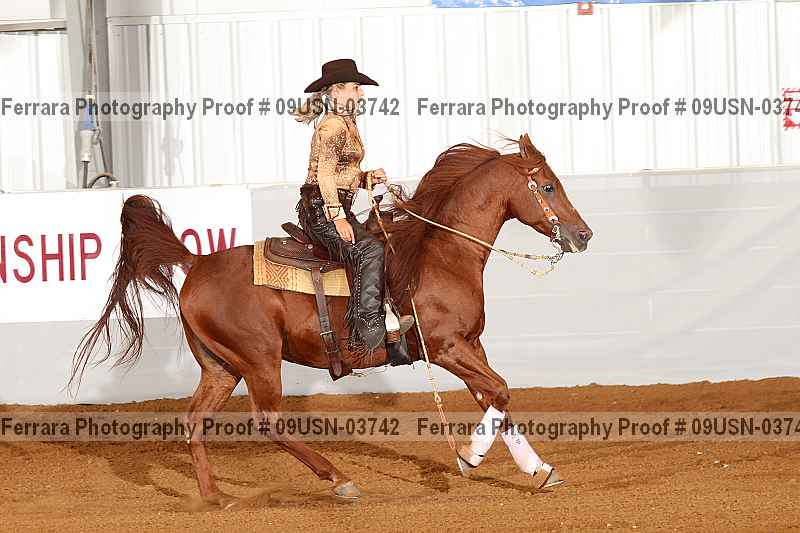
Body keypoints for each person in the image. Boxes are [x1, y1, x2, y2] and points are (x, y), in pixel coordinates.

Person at [292, 58, 414, 362]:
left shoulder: (347, 123)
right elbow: (324, 176)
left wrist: (366, 178)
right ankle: (368, 326)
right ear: (336, 91)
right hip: (321, 210)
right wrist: (337, 217)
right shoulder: (333, 126)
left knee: (377, 243)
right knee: (370, 250)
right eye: (356, 87)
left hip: (330, 205)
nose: (361, 93)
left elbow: (340, 173)